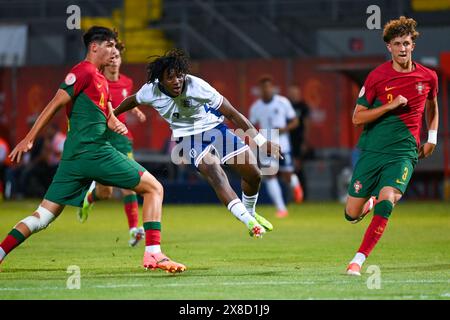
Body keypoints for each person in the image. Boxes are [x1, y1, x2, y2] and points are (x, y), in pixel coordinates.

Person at [0, 26, 185, 273]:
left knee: (42, 218)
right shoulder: (83, 71)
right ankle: (154, 254)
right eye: (109, 45)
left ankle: (1, 252)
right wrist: (29, 138)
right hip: (94, 151)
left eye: (115, 46)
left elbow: (108, 114)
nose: (113, 50)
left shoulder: (101, 80)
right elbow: (55, 103)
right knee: (154, 188)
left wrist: (115, 121)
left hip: (73, 159)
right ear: (94, 47)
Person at [114, 49, 281, 238]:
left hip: (215, 128)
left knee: (254, 174)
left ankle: (249, 212)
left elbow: (232, 113)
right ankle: (248, 222)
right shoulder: (150, 91)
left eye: (179, 76)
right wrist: (112, 115)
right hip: (188, 138)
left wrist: (260, 141)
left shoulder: (197, 86)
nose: (177, 81)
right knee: (215, 173)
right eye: (170, 77)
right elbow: (131, 100)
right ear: (160, 80)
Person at [345, 16, 439, 276]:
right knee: (351, 214)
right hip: (373, 151)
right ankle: (370, 199)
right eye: (397, 43)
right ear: (389, 47)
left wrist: (431, 137)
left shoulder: (428, 77)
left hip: (403, 153)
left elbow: (432, 104)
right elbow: (357, 117)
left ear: (413, 45)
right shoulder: (377, 77)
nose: (402, 48)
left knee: (388, 200)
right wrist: (389, 105)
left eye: (406, 43)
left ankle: (358, 260)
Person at [78, 43, 148, 247]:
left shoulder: (127, 81)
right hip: (102, 138)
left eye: (118, 56)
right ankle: (90, 198)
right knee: (106, 193)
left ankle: (134, 229)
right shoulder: (97, 82)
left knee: (131, 184)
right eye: (112, 56)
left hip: (122, 139)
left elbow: (126, 102)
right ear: (106, 60)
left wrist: (136, 111)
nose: (115, 60)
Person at [249, 76, 303, 218]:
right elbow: (251, 126)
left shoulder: (282, 102)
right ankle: (281, 208)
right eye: (263, 88)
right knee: (270, 176)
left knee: (287, 176)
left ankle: (295, 183)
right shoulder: (256, 107)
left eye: (268, 87)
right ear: (260, 90)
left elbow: (295, 121)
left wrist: (284, 129)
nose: (266, 90)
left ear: (272, 88)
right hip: (266, 146)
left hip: (283, 145)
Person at [287, 84, 310, 200]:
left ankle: (302, 195)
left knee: (297, 167)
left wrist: (305, 142)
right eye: (291, 92)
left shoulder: (303, 106)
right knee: (288, 169)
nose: (293, 94)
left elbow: (306, 124)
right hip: (286, 140)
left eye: (294, 92)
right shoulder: (286, 105)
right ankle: (292, 195)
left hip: (298, 140)